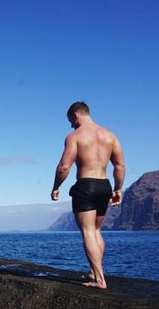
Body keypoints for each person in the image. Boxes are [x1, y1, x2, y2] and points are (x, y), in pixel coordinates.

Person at [51, 102, 125, 289]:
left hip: (86, 186)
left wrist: (56, 187)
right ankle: (94, 271)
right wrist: (118, 189)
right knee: (96, 231)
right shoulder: (110, 136)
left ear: (76, 115)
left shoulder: (75, 136)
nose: (71, 125)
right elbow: (119, 165)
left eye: (71, 121)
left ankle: (99, 279)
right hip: (104, 186)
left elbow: (64, 166)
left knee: (88, 232)